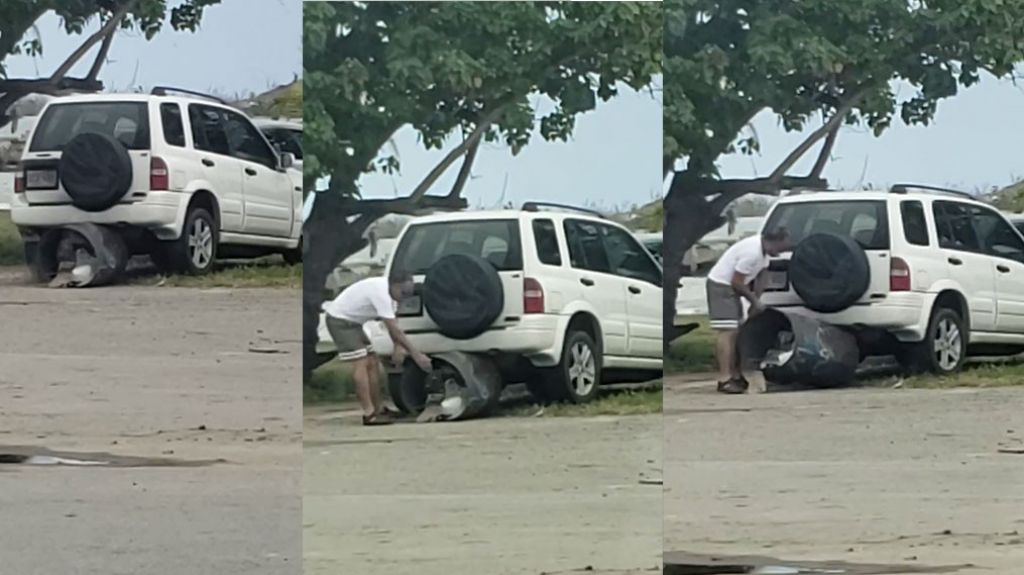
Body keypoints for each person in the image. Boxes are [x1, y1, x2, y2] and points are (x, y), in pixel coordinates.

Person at [323, 269, 433, 425]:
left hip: (354, 323)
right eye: (403, 292)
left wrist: (398, 347)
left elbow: (394, 322)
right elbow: (394, 330)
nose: (405, 297)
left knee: (373, 361)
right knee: (361, 362)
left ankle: (379, 408)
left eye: (409, 293)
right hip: (340, 321)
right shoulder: (381, 293)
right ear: (394, 285)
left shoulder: (393, 295)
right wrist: (417, 355)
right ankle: (369, 413)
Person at [705, 227, 790, 394]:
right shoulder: (751, 252)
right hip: (721, 285)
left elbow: (763, 274)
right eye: (780, 249)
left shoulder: (764, 252)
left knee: (738, 330)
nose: (779, 253)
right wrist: (754, 300)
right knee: (727, 331)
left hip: (733, 287)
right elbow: (736, 282)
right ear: (772, 241)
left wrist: (756, 299)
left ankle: (735, 374)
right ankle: (724, 378)